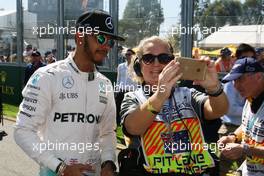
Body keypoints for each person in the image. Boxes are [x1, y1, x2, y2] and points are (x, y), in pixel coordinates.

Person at [14, 10, 125, 176]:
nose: (106, 47)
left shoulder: (105, 84)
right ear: (80, 37)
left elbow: (108, 132)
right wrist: (60, 168)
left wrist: (108, 163)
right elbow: (22, 130)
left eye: (111, 42)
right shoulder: (48, 76)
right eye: (101, 38)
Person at [119, 36, 228, 176]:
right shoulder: (133, 97)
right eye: (148, 58)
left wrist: (214, 88)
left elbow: (218, 110)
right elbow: (133, 128)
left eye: (163, 58)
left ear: (173, 63)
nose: (156, 64)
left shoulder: (188, 95)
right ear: (138, 66)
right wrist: (160, 95)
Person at [218, 57, 264, 176]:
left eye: (240, 79)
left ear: (259, 76)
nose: (236, 86)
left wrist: (245, 149)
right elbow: (246, 125)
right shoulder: (250, 100)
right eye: (234, 80)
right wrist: (233, 137)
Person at [115, 48, 138, 125]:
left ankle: (128, 122)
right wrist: (117, 89)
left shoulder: (136, 66)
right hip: (121, 90)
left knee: (130, 108)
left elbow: (138, 80)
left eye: (129, 54)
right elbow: (118, 79)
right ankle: (117, 122)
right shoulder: (120, 66)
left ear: (133, 55)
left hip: (131, 91)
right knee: (117, 107)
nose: (127, 56)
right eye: (126, 54)